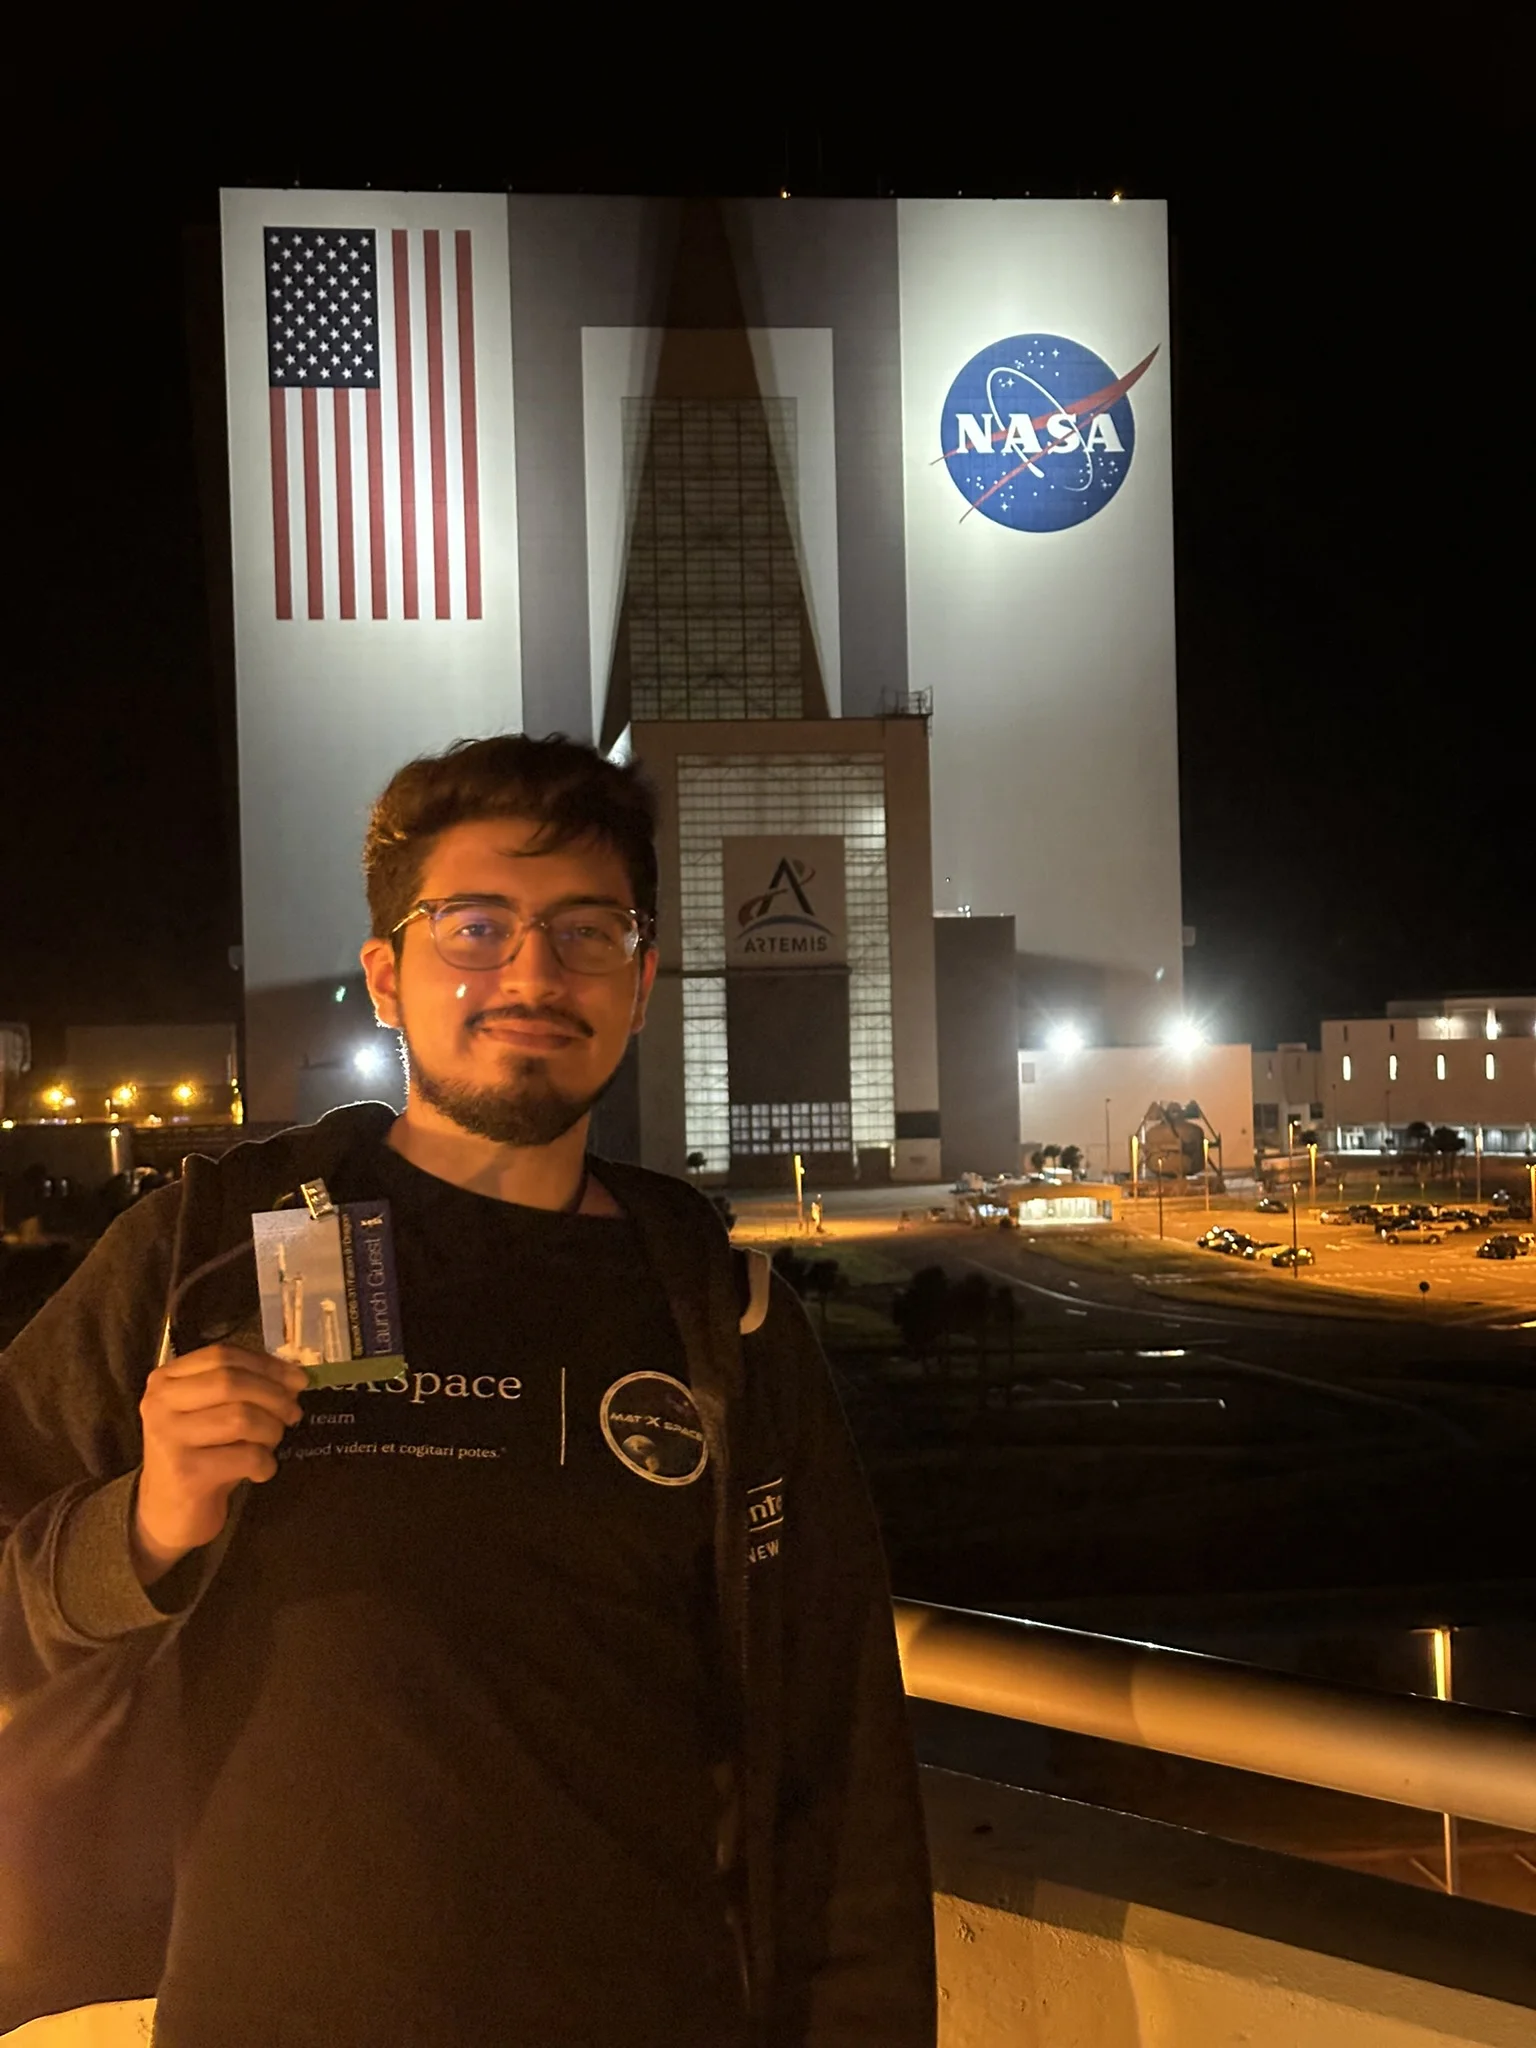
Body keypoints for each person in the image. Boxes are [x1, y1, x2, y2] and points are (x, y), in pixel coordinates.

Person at [0, 735, 936, 2047]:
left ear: (643, 977)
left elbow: (835, 1759)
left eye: (587, 932)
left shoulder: (725, 1318)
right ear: (386, 976)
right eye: (476, 928)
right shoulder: (213, 1249)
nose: (534, 975)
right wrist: (141, 1531)